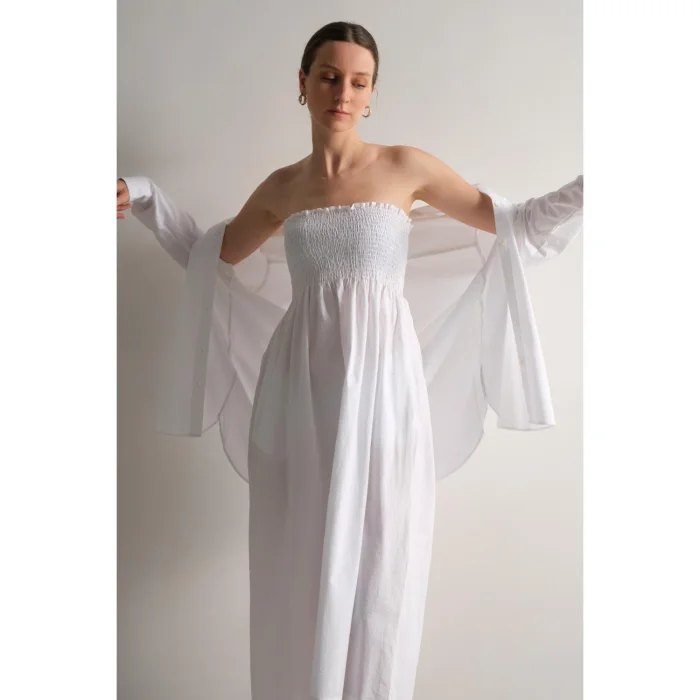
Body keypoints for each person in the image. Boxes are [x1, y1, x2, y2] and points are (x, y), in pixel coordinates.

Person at [118, 20, 582, 700]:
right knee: (301, 559)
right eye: (330, 77)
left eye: (359, 82)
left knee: (382, 562)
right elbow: (208, 257)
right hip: (298, 390)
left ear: (372, 94)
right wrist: (146, 195)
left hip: (385, 386)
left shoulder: (406, 167)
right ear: (303, 84)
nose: (343, 93)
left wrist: (591, 187)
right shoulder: (281, 187)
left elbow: (514, 221)